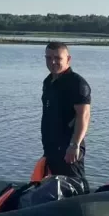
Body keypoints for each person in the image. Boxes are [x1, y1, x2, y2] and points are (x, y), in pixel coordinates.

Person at [40, 41, 92, 189]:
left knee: (74, 184)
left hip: (69, 147)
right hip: (51, 146)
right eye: (48, 58)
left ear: (68, 59)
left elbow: (84, 116)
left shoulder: (76, 84)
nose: (53, 62)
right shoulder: (48, 81)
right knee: (56, 186)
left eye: (57, 58)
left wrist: (74, 145)